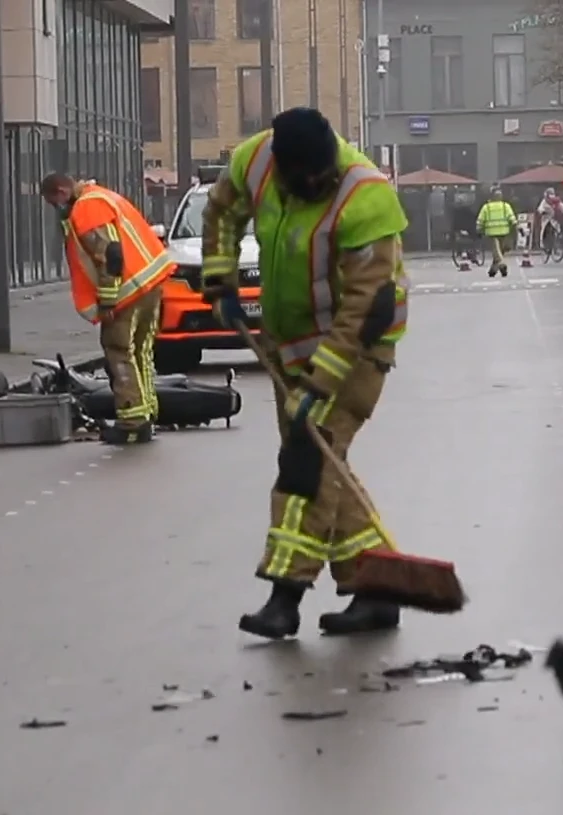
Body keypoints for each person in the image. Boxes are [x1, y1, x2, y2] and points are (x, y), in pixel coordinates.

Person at [199, 107, 410, 639]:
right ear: (282, 167)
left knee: (306, 465)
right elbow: (221, 211)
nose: (318, 184)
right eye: (306, 180)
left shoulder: (366, 196)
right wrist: (220, 278)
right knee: (326, 468)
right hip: (289, 347)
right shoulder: (255, 161)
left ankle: (284, 596)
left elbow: (367, 307)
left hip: (357, 352)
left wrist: (321, 385)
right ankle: (379, 588)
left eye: (324, 176)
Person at [40, 171, 174, 445]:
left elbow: (110, 255)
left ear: (61, 192)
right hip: (149, 285)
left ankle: (132, 423)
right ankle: (146, 413)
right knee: (141, 352)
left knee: (119, 352)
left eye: (53, 202)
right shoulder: (103, 196)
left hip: (127, 292)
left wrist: (108, 301)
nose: (56, 209)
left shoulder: (86, 208)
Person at [476, 185, 518, 278]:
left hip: (491, 233)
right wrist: (516, 229)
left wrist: (479, 230)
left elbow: (480, 220)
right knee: (499, 252)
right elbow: (512, 219)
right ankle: (495, 269)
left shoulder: (486, 207)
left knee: (497, 252)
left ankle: (499, 266)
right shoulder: (505, 206)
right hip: (504, 233)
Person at [537, 186, 563, 252]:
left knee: (557, 229)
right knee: (544, 230)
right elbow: (540, 208)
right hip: (546, 218)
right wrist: (542, 211)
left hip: (554, 218)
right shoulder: (544, 202)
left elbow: (562, 206)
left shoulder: (556, 201)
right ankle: (542, 244)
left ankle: (557, 244)